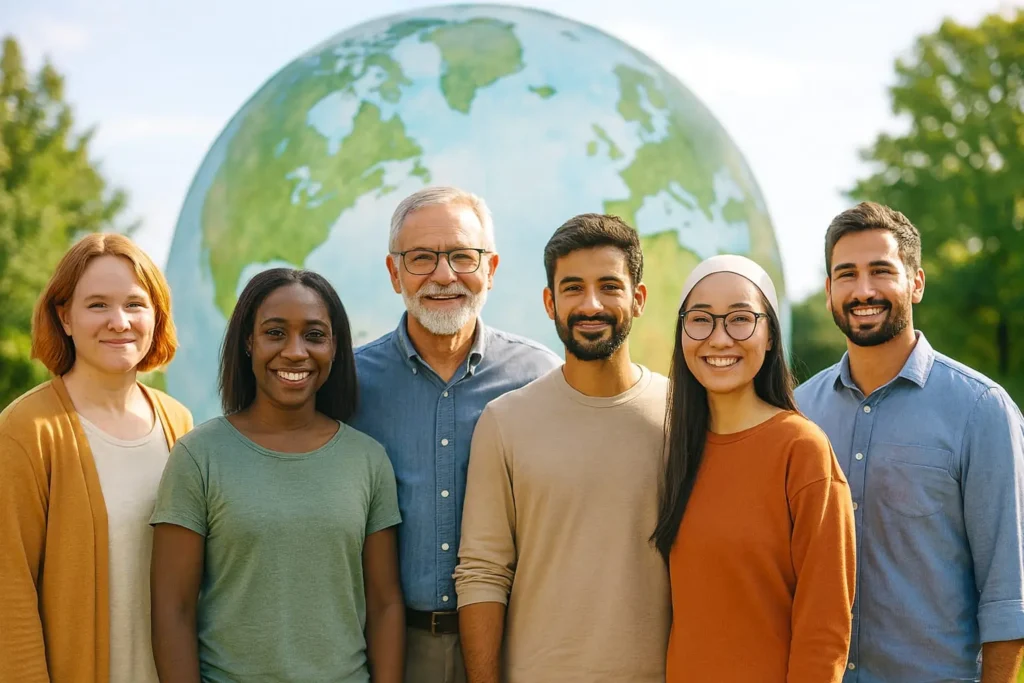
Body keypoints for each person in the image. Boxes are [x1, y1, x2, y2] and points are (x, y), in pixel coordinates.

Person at [795, 202, 1024, 682]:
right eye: (846, 274)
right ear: (828, 291)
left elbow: (1009, 598)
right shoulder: (798, 413)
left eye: (881, 271)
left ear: (916, 282)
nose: (863, 291)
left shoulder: (982, 410)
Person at [347, 186, 561, 683]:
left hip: (516, 647)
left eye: (463, 256)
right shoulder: (349, 385)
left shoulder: (542, 376)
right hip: (387, 651)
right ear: (393, 271)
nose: (444, 276)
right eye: (421, 258)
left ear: (491, 269)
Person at [149, 268, 404, 683]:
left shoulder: (368, 460)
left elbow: (385, 603)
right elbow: (172, 609)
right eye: (275, 333)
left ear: (335, 347)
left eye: (315, 335)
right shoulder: (199, 456)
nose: (295, 352)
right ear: (248, 343)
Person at [454, 213, 671, 682]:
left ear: (638, 299)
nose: (590, 304)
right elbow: (482, 574)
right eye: (573, 288)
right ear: (550, 302)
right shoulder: (505, 422)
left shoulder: (684, 417)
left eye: (609, 286)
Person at [652, 254, 856, 682]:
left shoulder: (802, 450)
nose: (720, 338)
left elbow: (825, 628)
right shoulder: (674, 450)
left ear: (769, 337)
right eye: (701, 319)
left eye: (741, 319)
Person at [0, 233, 193, 683]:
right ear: (64, 316)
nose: (119, 321)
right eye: (98, 305)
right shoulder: (26, 430)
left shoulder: (179, 424)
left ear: (156, 315)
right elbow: (8, 589)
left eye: (135, 304)